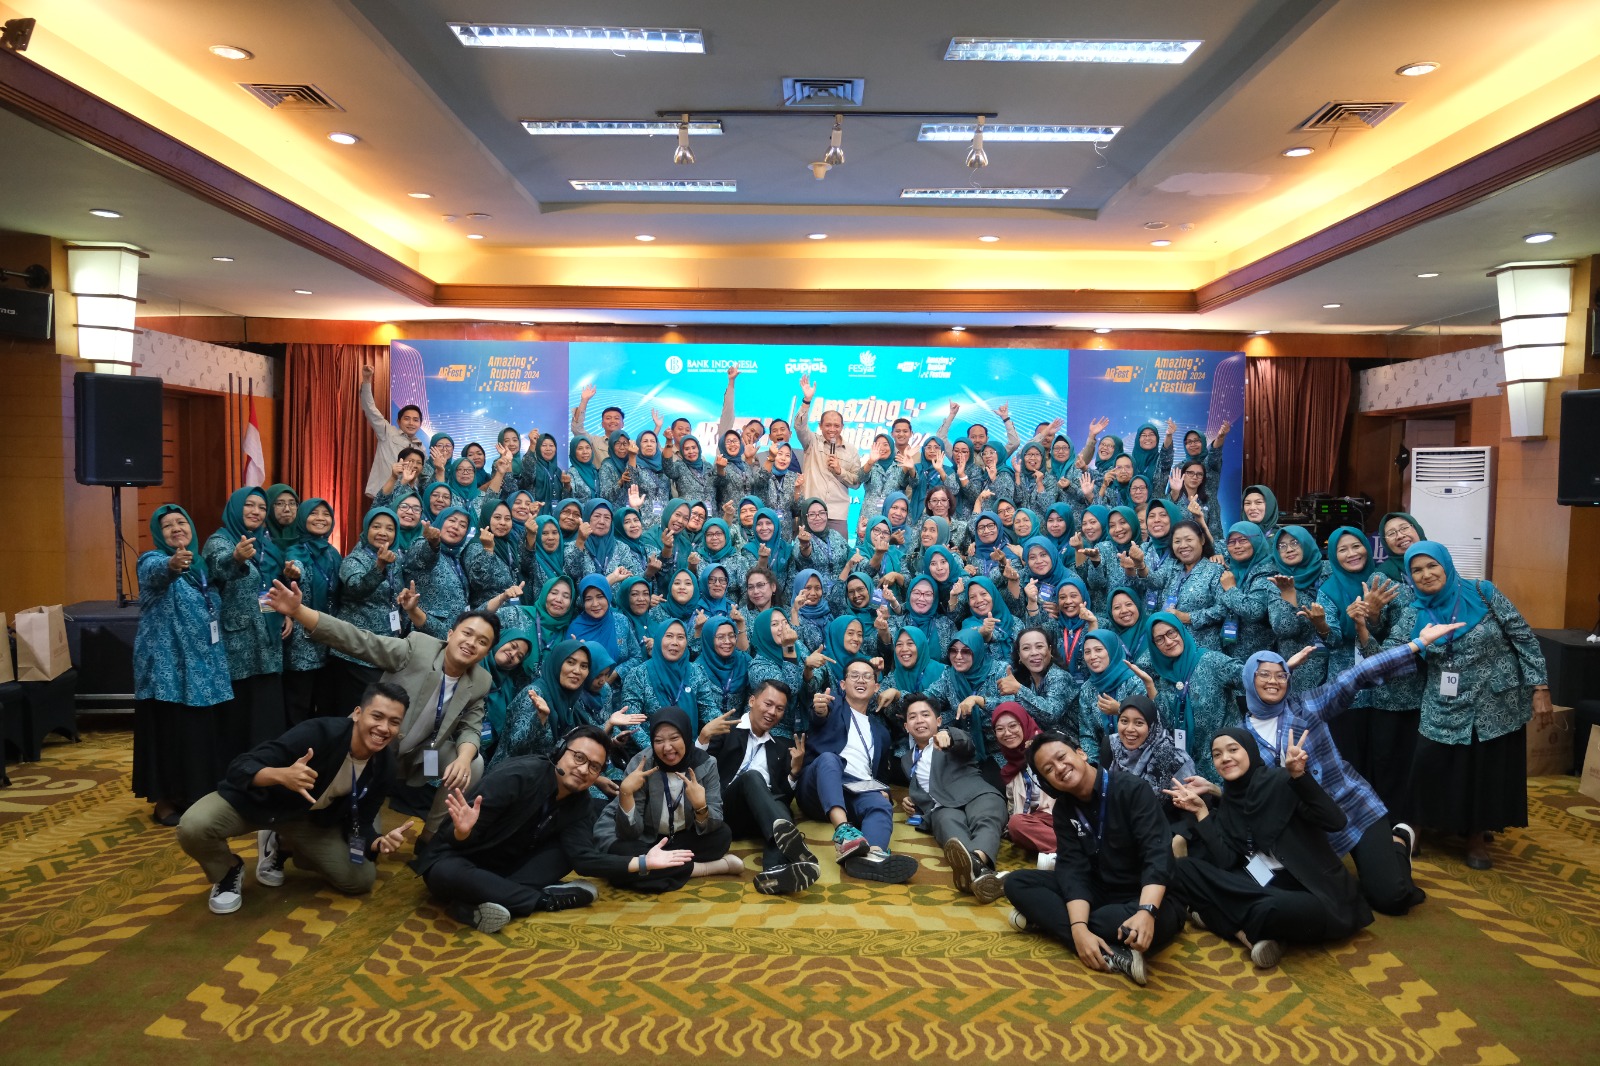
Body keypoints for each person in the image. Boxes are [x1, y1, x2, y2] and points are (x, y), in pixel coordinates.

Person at [262, 579, 492, 837]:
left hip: (417, 757)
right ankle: (279, 830)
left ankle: (432, 839)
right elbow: (360, 641)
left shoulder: (480, 681)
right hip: (369, 749)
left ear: (486, 653)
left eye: (482, 642)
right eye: (467, 633)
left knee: (473, 763)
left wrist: (463, 758)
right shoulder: (418, 648)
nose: (472, 643)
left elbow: (471, 727)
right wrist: (298, 611)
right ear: (450, 634)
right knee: (356, 837)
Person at [418, 725, 696, 932]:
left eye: (594, 767)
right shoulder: (518, 775)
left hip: (508, 868)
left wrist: (644, 862)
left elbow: (583, 859)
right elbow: (449, 841)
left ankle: (473, 905)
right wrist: (464, 832)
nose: (583, 770)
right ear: (560, 752)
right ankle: (544, 899)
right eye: (579, 758)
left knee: (566, 853)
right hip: (464, 857)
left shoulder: (581, 804)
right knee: (442, 873)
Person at [176, 682, 416, 914]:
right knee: (194, 826)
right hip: (263, 802)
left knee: (360, 879)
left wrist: (376, 842)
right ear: (357, 714)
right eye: (377, 717)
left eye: (394, 722)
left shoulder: (385, 767)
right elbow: (240, 767)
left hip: (309, 819)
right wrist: (281, 775)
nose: (384, 728)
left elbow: (360, 821)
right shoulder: (319, 733)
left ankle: (283, 844)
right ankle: (228, 870)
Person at [1392, 541, 1550, 870]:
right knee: (1428, 764)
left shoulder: (1483, 592)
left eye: (1432, 566)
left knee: (1484, 767)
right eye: (1417, 570)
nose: (1425, 574)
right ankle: (1416, 827)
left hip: (1495, 701)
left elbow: (1523, 636)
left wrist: (1540, 687)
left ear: (1446, 565)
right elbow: (1392, 653)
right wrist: (1364, 627)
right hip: (1444, 700)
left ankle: (1476, 836)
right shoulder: (1412, 610)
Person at [1167, 728, 1371, 971]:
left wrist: (1300, 777)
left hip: (1313, 894)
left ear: (1250, 751)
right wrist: (1202, 811)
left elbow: (1336, 821)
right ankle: (1246, 930)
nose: (1225, 758)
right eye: (1217, 754)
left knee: (1267, 908)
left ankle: (1227, 923)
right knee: (1184, 869)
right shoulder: (1230, 801)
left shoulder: (1282, 782)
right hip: (1262, 885)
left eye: (1233, 750)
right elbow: (1226, 861)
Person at [1002, 732, 1184, 986]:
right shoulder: (1064, 809)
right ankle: (1105, 948)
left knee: (1102, 920)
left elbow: (1157, 855)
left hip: (1149, 897)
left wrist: (1147, 911)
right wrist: (1078, 928)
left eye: (1061, 757)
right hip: (1101, 889)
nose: (1059, 769)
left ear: (1081, 753)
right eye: (1048, 769)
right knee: (1016, 882)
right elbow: (1072, 870)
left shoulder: (1132, 789)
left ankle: (1054, 923)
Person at [133, 504, 235, 826]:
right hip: (166, 669)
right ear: (158, 533)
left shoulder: (202, 567)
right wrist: (172, 564)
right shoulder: (150, 560)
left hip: (203, 667)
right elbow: (157, 572)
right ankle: (164, 800)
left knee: (197, 734)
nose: (176, 528)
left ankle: (194, 794)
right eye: (168, 526)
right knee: (168, 732)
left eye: (181, 522)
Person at [591, 707, 741, 891]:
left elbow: (714, 819)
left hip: (679, 837)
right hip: (645, 837)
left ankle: (650, 869)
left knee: (722, 836)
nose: (667, 747)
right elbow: (629, 833)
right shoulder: (641, 765)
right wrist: (626, 794)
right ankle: (703, 868)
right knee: (620, 852)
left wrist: (700, 806)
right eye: (659, 741)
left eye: (674, 738)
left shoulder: (706, 764)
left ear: (686, 736)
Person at [797, 659, 920, 883]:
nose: (861, 680)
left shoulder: (881, 732)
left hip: (856, 790)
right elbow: (818, 713)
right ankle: (844, 833)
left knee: (881, 803)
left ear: (876, 687)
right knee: (829, 759)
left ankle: (872, 856)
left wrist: (884, 792)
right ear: (843, 685)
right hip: (819, 786)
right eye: (854, 676)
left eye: (867, 676)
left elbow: (880, 776)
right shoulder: (833, 706)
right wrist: (819, 709)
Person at [697, 678, 821, 895]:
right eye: (768, 704)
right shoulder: (726, 730)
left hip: (757, 819)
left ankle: (773, 873)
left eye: (779, 709)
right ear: (752, 701)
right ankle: (792, 846)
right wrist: (703, 738)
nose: (773, 712)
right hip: (723, 811)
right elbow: (694, 769)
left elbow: (782, 797)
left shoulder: (780, 748)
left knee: (779, 807)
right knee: (752, 777)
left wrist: (794, 772)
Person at [201, 487, 289, 755]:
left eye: (262, 507)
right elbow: (219, 566)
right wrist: (236, 558)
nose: (256, 512)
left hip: (267, 637)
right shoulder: (220, 540)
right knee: (240, 715)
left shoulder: (264, 542)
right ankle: (238, 767)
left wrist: (282, 612)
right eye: (249, 505)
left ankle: (266, 764)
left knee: (266, 711)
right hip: (237, 643)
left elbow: (266, 584)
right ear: (236, 507)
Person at [899, 695, 1009, 903]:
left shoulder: (950, 738)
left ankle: (976, 864)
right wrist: (913, 800)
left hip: (975, 793)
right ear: (906, 726)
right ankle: (984, 874)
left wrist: (948, 736)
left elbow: (965, 742)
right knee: (950, 834)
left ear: (938, 721)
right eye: (912, 717)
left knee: (986, 820)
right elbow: (926, 785)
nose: (919, 720)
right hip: (943, 808)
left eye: (925, 715)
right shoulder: (906, 760)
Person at [794, 373, 863, 535]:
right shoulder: (812, 442)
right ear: (820, 426)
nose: (832, 429)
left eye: (836, 426)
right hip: (812, 510)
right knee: (807, 549)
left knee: (839, 550)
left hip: (837, 513)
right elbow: (799, 427)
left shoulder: (851, 450)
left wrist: (840, 471)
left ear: (842, 427)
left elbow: (857, 482)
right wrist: (807, 401)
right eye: (828, 425)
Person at [992, 702, 1056, 864]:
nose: (1007, 733)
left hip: (1065, 814)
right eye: (1000, 729)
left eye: (1013, 725)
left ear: (1024, 724)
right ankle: (1065, 850)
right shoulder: (1010, 769)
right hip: (1037, 822)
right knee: (1016, 825)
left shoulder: (1050, 748)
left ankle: (1072, 852)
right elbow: (1014, 808)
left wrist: (1038, 751)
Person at [359, 365, 425, 499]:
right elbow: (370, 409)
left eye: (415, 420)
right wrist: (366, 380)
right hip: (383, 495)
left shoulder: (421, 448)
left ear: (420, 424)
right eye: (407, 419)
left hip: (406, 499)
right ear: (398, 421)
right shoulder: (387, 432)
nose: (411, 423)